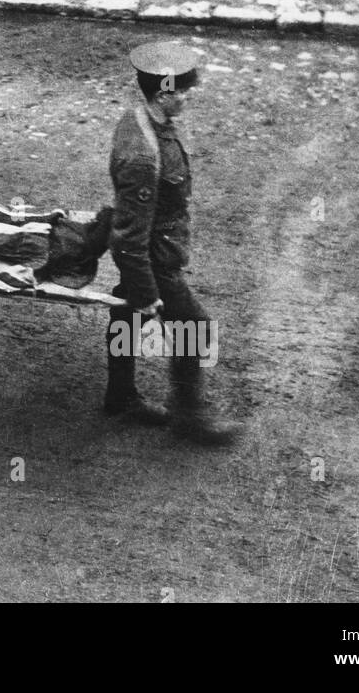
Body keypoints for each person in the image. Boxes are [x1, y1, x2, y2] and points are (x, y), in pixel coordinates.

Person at [103, 41, 241, 446]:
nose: (187, 97)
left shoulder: (142, 119)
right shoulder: (144, 154)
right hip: (154, 259)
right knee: (194, 328)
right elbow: (130, 237)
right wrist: (147, 293)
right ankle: (190, 416)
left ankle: (120, 396)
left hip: (154, 251)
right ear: (163, 93)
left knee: (127, 315)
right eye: (182, 91)